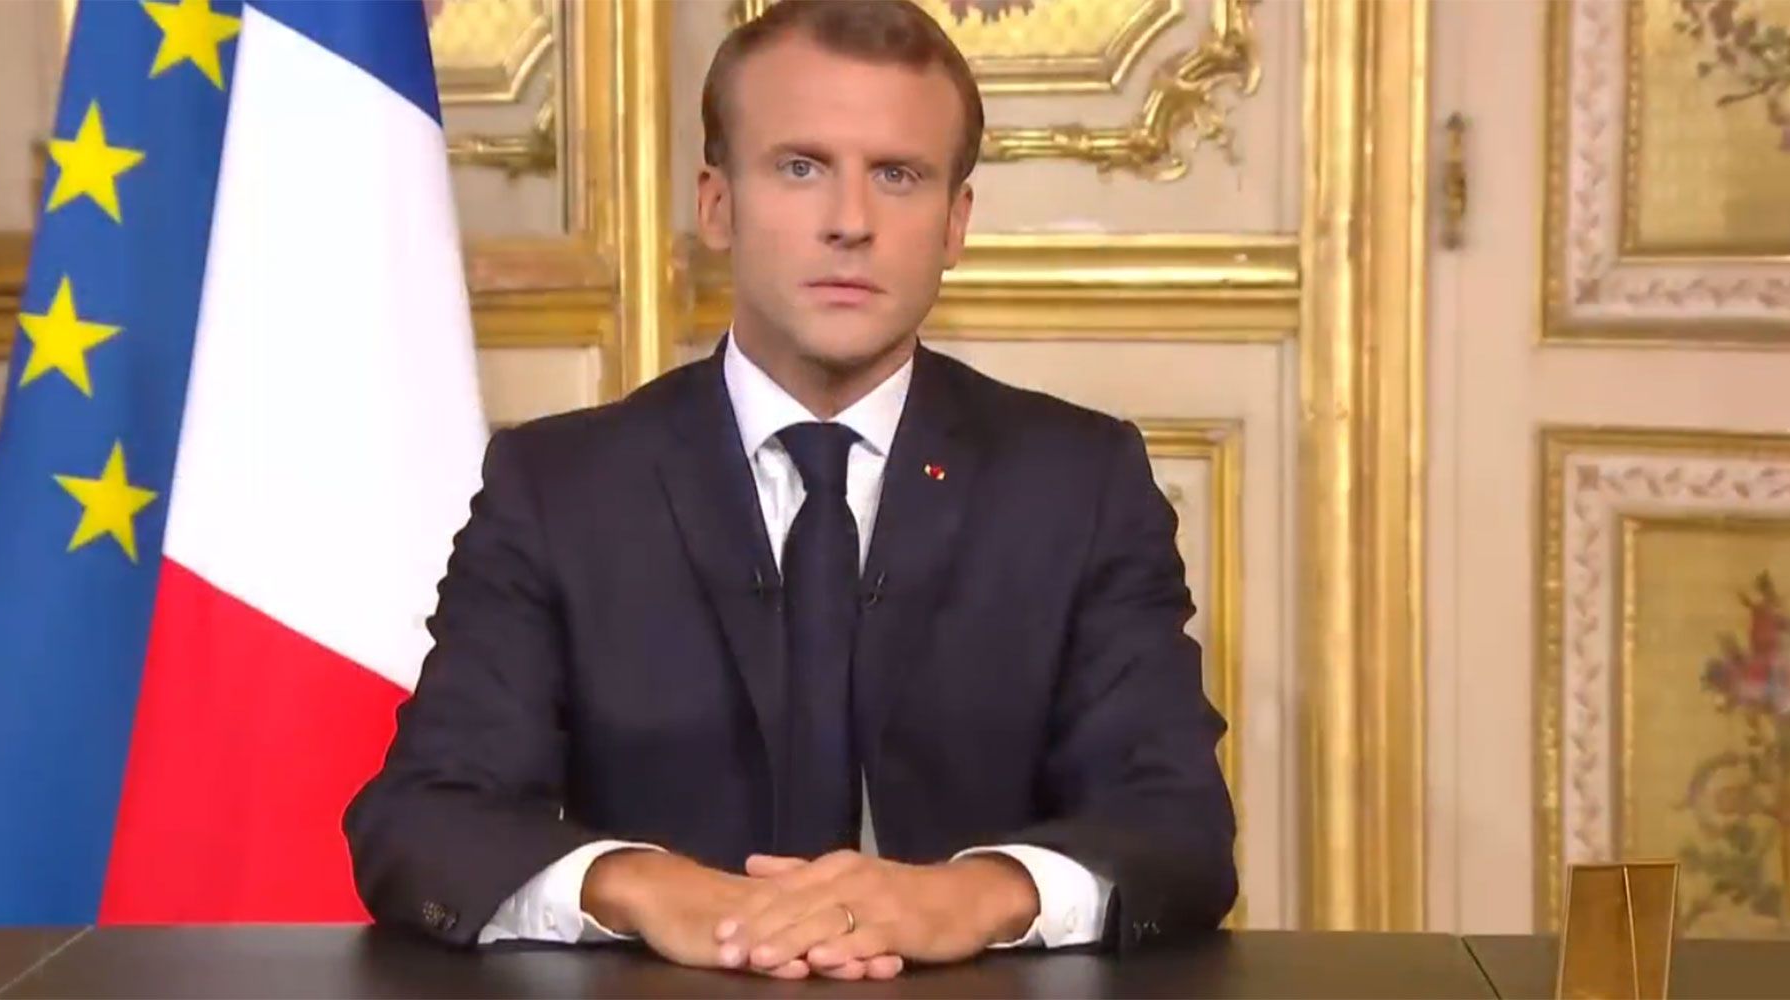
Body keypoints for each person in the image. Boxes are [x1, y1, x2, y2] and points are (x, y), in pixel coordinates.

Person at [344, 0, 1235, 981]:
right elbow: (424, 818)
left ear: (955, 221)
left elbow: (1176, 826)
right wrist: (651, 887)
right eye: (800, 167)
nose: (849, 222)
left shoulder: (1078, 482)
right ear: (716, 204)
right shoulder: (559, 487)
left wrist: (961, 897)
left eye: (897, 175)